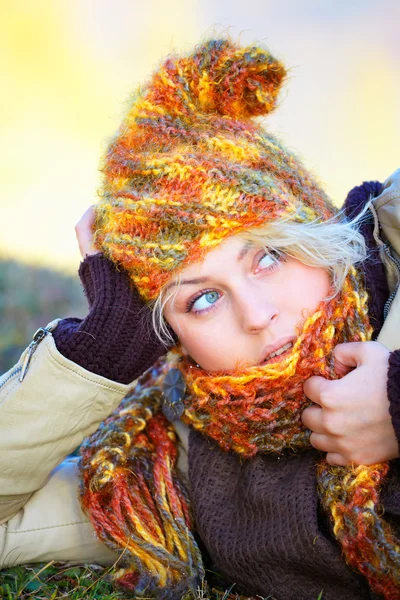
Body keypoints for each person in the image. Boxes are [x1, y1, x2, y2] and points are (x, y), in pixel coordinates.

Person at [1, 38, 400, 600]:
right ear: (170, 335)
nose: (259, 317)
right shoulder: (178, 462)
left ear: (318, 236)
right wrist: (102, 349)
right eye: (202, 300)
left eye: (269, 256)